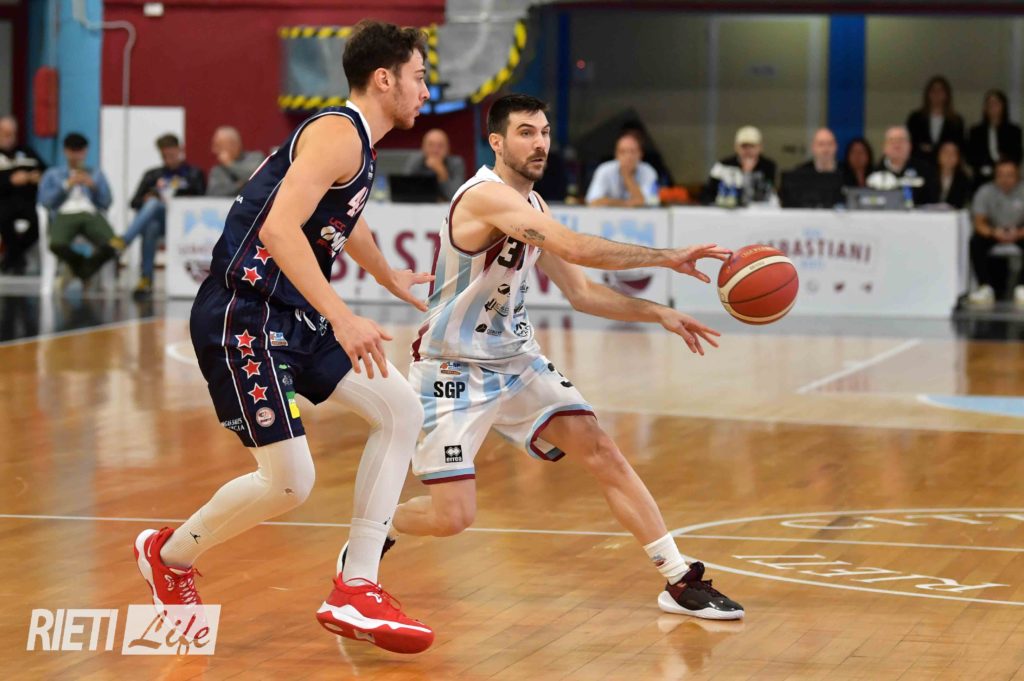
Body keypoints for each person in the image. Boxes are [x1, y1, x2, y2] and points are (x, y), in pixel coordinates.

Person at [132, 20, 437, 654]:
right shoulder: (337, 132)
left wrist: (388, 276)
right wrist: (344, 315)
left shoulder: (360, 144)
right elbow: (277, 229)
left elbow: (343, 220)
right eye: (419, 77)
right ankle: (169, 555)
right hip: (242, 313)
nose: (426, 91)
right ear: (385, 79)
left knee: (401, 409)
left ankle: (357, 584)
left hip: (291, 314)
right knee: (290, 483)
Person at [393, 94, 745, 621]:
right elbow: (576, 248)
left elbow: (581, 292)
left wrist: (658, 313)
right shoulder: (484, 198)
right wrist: (667, 257)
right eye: (526, 133)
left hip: (515, 360)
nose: (540, 143)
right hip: (452, 366)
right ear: (496, 142)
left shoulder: (535, 206)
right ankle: (378, 526)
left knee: (601, 448)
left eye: (544, 132)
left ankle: (679, 579)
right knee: (453, 517)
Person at [123, 134, 206, 296]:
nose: (168, 160)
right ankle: (146, 279)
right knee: (152, 219)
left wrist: (182, 199)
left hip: (185, 222)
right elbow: (134, 202)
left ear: (180, 150)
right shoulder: (152, 175)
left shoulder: (194, 174)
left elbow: (202, 199)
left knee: (152, 215)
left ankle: (125, 241)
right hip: (163, 220)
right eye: (164, 156)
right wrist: (146, 199)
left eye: (172, 155)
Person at [37, 133, 120, 286]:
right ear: (66, 151)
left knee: (115, 244)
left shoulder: (96, 173)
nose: (77, 155)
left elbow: (107, 202)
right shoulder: (53, 174)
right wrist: (66, 185)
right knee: (56, 244)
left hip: (90, 214)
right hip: (64, 214)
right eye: (73, 151)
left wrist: (93, 186)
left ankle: (80, 270)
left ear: (86, 151)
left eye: (80, 151)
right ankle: (82, 268)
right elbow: (44, 201)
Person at [967, 158, 1024, 307]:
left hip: (1019, 231)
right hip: (993, 231)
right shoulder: (985, 191)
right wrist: (993, 232)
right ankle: (985, 287)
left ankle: (1022, 287)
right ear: (995, 176)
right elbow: (979, 222)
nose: (1005, 179)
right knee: (976, 241)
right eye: (1001, 175)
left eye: (1009, 175)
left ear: (1017, 176)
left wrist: (1018, 233)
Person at [0, 116, 46, 274]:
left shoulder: (27, 152)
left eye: (12, 133)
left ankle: (12, 257)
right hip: (3, 200)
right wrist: (10, 181)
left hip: (27, 200)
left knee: (42, 220)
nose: (10, 137)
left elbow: (45, 171)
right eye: (6, 133)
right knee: (3, 217)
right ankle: (15, 259)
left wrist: (36, 177)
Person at [700, 125, 777, 206]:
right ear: (736, 147)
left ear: (760, 147)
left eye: (752, 146)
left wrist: (747, 173)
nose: (748, 150)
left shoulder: (768, 166)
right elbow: (708, 193)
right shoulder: (723, 165)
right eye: (744, 146)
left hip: (758, 210)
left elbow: (767, 193)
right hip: (726, 209)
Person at [866, 126, 939, 206]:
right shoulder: (874, 173)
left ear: (910, 145)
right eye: (892, 141)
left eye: (901, 140)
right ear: (884, 147)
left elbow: (933, 202)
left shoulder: (926, 171)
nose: (897, 145)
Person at [967, 89, 1024, 190]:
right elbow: (970, 156)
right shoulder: (976, 131)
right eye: (989, 104)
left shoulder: (1013, 131)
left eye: (996, 103)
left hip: (1006, 176)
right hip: (982, 177)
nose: (993, 107)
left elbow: (1017, 155)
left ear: (1003, 106)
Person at [585, 130, 659, 207]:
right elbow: (592, 201)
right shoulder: (604, 170)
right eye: (623, 152)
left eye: (632, 151)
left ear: (640, 154)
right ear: (616, 154)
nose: (628, 156)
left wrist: (627, 177)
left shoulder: (648, 172)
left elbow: (646, 202)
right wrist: (625, 203)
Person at [905, 75, 964, 162]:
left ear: (947, 95)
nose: (937, 94)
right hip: (920, 162)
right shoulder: (915, 118)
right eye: (933, 90)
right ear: (928, 94)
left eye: (940, 90)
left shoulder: (956, 121)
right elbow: (909, 142)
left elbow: (958, 146)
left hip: (946, 164)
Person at [403, 128, 465, 201]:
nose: (435, 150)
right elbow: (405, 193)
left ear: (448, 149)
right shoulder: (415, 161)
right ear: (423, 147)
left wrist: (442, 173)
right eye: (431, 145)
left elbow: (457, 198)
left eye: (440, 146)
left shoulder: (456, 164)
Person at [206, 126, 264, 197]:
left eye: (218, 146)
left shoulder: (256, 158)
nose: (214, 150)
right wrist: (239, 186)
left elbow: (256, 176)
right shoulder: (218, 169)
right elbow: (213, 194)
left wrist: (229, 164)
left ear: (233, 145)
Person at [936, 140, 971, 209]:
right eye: (946, 152)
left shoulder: (963, 180)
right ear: (938, 155)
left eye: (953, 153)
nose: (949, 156)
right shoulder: (928, 177)